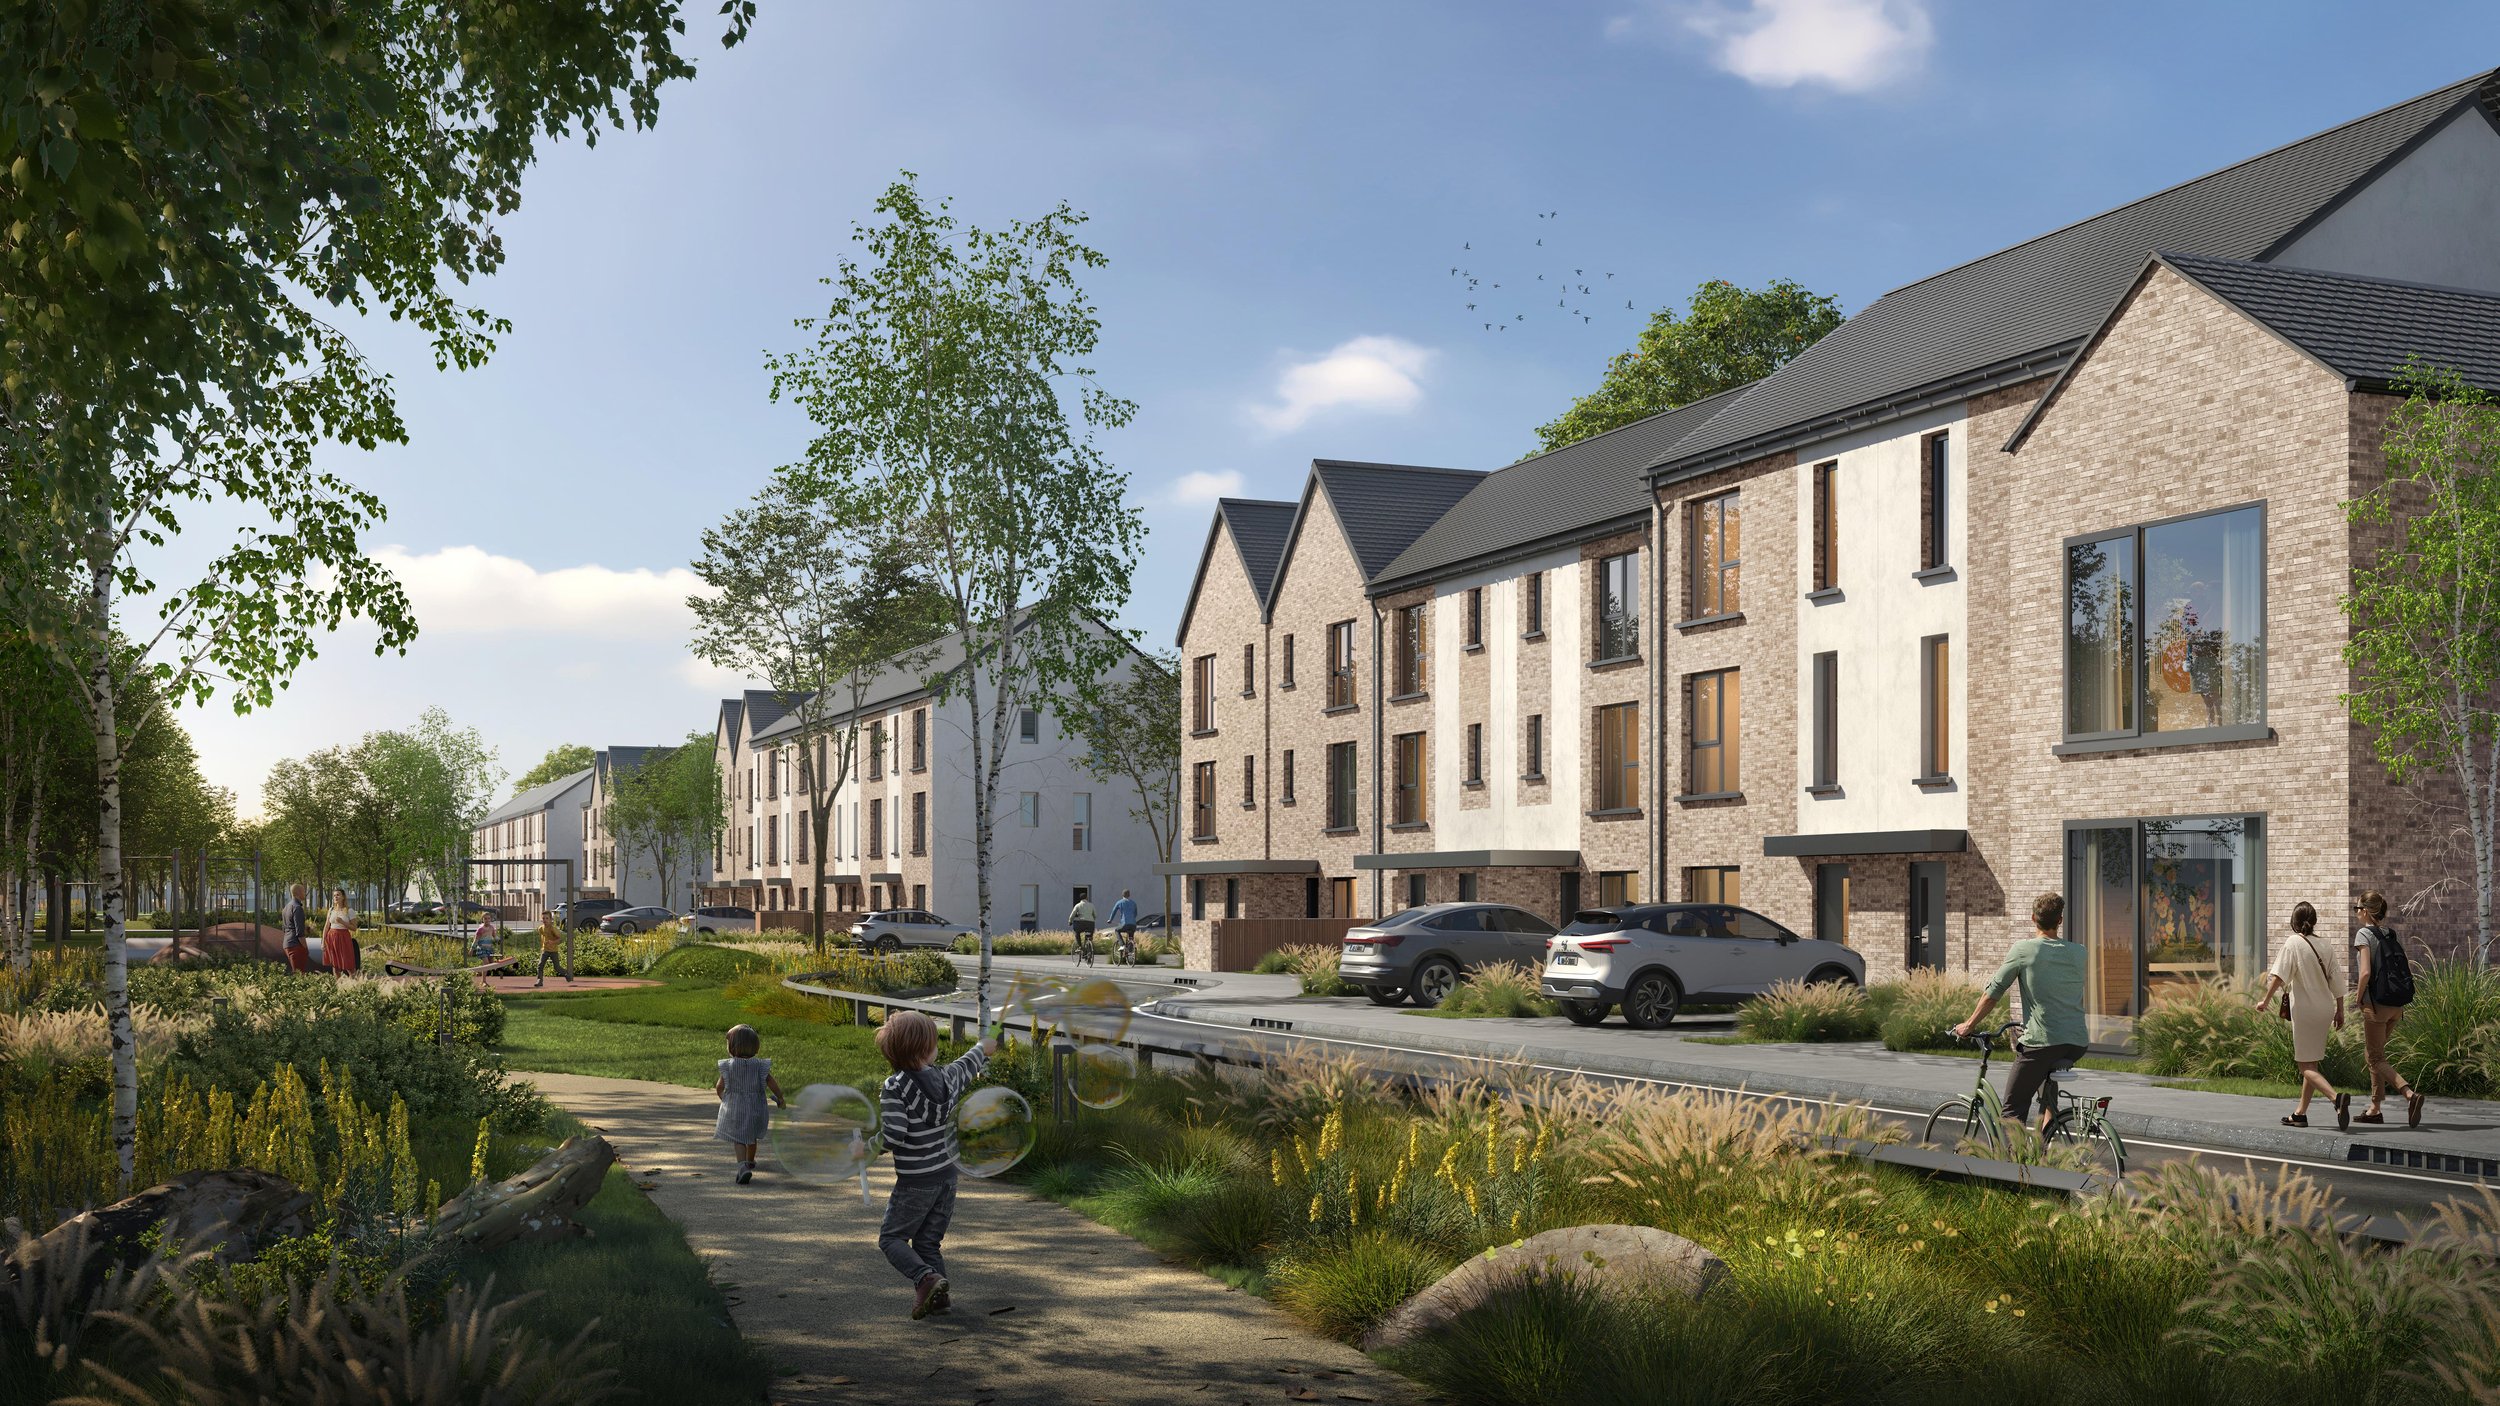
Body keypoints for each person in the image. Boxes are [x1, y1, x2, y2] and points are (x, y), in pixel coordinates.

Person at [874, 1009, 994, 1319]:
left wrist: (867, 1148)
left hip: (916, 1181)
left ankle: (925, 1280)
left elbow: (894, 1134)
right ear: (927, 1048)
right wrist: (984, 1047)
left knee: (891, 1239)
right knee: (928, 1241)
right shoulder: (948, 1077)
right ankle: (939, 1301)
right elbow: (968, 1063)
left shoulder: (895, 1087)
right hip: (947, 1177)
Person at [1953, 892, 2089, 1135]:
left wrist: (1969, 1024)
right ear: (2060, 920)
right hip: (2077, 1041)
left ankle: (2013, 1168)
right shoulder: (2079, 952)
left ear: (2032, 918)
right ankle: (2044, 1147)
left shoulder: (2023, 950)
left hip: (2042, 1042)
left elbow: (1993, 993)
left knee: (2012, 1111)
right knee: (2047, 1095)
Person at [2255, 901, 2348, 1130]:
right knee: (2311, 1062)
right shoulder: (2325, 945)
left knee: (2304, 1066)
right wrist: (2340, 1010)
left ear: (2294, 922)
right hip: (2325, 1009)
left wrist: (2265, 1001)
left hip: (2306, 1010)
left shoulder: (2293, 942)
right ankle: (2300, 1114)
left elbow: (2278, 976)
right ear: (2314, 921)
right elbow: (2336, 980)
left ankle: (2337, 1099)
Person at [2350, 891, 2423, 1128]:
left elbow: (2365, 973)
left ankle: (2409, 1094)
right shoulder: (2390, 933)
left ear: (2365, 910)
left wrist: (2358, 998)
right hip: (2396, 1006)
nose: (2355, 913)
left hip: (2376, 1005)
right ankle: (2375, 1109)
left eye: (2356, 908)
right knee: (2374, 1056)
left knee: (2375, 1056)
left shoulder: (2363, 934)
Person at [714, 1024, 786, 1185]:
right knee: (751, 1136)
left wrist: (724, 1099)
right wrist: (780, 1097)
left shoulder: (728, 1066)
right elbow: (771, 1083)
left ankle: (742, 1167)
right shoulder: (760, 1065)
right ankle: (750, 1160)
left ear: (732, 1047)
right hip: (756, 1107)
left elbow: (720, 1087)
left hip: (735, 1107)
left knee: (738, 1138)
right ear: (755, 1046)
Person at [322, 889, 359, 975]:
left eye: (338, 895)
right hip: (331, 937)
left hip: (343, 937)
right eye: (334, 895)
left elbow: (354, 928)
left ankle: (354, 985)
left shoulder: (349, 910)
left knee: (348, 964)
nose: (336, 897)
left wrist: (343, 922)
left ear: (343, 897)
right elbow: (326, 926)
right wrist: (323, 941)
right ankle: (338, 986)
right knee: (335, 965)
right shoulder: (331, 910)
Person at [281, 884, 313, 973]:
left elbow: (286, 927)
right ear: (298, 892)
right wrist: (305, 948)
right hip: (296, 945)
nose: (305, 893)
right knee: (299, 975)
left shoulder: (286, 907)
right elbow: (299, 933)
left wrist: (305, 928)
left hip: (287, 943)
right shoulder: (297, 908)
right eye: (303, 891)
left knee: (296, 972)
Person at [534, 911, 571, 986]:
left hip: (554, 951)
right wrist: (543, 946)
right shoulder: (541, 929)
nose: (545, 920)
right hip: (545, 950)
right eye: (543, 918)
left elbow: (560, 940)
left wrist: (552, 942)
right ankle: (539, 980)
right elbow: (542, 937)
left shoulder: (554, 929)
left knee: (557, 967)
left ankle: (566, 973)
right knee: (540, 965)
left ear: (551, 919)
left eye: (547, 918)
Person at [1108, 889, 1140, 964]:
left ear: (1122, 895)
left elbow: (1113, 911)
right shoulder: (1133, 903)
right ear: (1129, 895)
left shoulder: (1120, 902)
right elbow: (1135, 914)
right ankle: (1130, 952)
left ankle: (1122, 945)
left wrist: (1110, 919)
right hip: (1133, 924)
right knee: (1131, 937)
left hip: (1124, 923)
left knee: (1117, 930)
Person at [1067, 893, 1098, 966]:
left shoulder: (1078, 905)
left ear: (1080, 899)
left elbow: (1072, 914)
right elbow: (1095, 915)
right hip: (1090, 924)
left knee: (1077, 932)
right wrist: (1091, 919)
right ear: (1086, 898)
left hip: (1081, 923)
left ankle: (1080, 946)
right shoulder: (1091, 905)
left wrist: (1070, 922)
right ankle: (1088, 955)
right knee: (1088, 938)